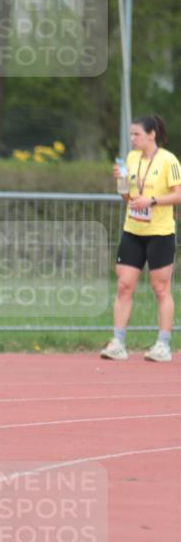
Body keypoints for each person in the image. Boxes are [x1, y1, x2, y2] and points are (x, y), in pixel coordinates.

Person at [101, 114, 181, 362]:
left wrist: (153, 201)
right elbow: (127, 198)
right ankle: (117, 342)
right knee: (124, 285)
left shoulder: (169, 160)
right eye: (131, 134)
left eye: (136, 134)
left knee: (160, 288)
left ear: (151, 134)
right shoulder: (131, 158)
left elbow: (179, 194)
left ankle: (163, 344)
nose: (132, 139)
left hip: (160, 233)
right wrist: (121, 184)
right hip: (133, 230)